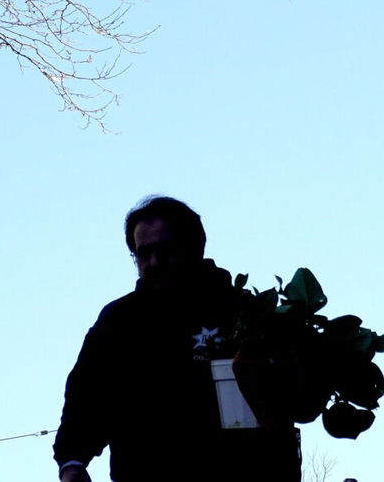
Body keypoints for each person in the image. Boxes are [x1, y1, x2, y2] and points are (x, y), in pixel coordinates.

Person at [54, 196, 301, 481]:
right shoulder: (119, 323)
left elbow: (294, 395)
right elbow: (87, 397)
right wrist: (72, 463)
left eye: (166, 250)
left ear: (194, 248)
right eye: (143, 254)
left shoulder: (245, 313)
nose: (154, 262)